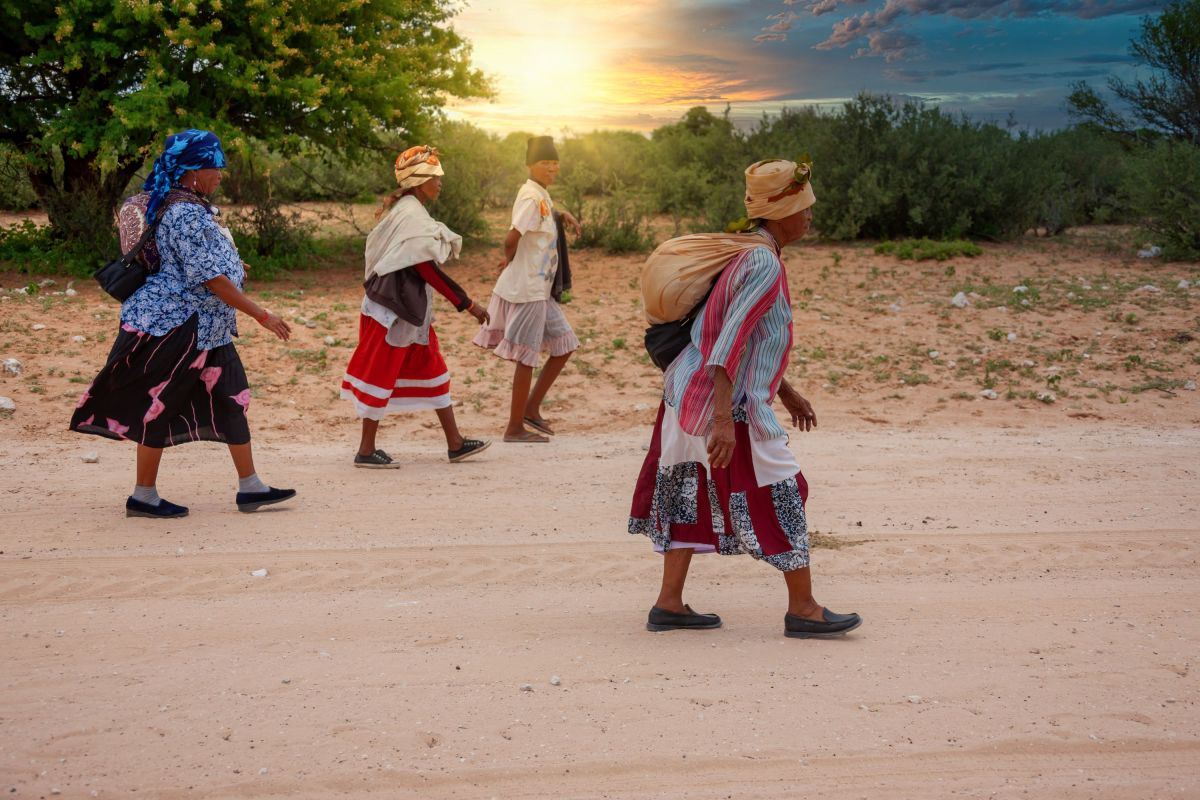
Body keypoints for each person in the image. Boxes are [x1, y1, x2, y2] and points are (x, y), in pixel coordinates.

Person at [628, 158, 862, 639]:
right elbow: (726, 340)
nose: (811, 216)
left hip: (685, 391)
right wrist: (720, 419)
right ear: (781, 215)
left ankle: (669, 604)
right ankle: (804, 609)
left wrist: (787, 391)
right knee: (783, 488)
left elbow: (749, 340)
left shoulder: (750, 253)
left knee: (688, 489)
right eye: (806, 208)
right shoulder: (762, 262)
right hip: (721, 402)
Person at [70, 129, 296, 518]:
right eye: (215, 166)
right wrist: (262, 315)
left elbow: (197, 263)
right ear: (193, 170)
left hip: (208, 327)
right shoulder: (184, 212)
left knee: (230, 398)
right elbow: (209, 279)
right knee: (160, 404)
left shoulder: (186, 206)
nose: (221, 174)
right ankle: (143, 496)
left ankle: (251, 487)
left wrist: (231, 265)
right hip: (178, 327)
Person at [340, 145, 491, 467]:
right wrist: (468, 304)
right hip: (392, 312)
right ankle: (366, 451)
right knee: (381, 374)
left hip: (406, 309)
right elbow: (424, 268)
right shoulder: (410, 214)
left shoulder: (411, 210)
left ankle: (456, 442)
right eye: (436, 178)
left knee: (433, 368)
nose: (440, 183)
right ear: (421, 182)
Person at [472, 136, 581, 443]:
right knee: (527, 357)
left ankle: (531, 410)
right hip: (528, 288)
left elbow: (542, 219)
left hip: (539, 289)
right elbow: (512, 236)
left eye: (555, 163)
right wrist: (506, 258)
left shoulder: (540, 195)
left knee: (565, 345)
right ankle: (514, 428)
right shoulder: (531, 197)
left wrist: (561, 216)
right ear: (531, 165)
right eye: (546, 163)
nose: (552, 168)